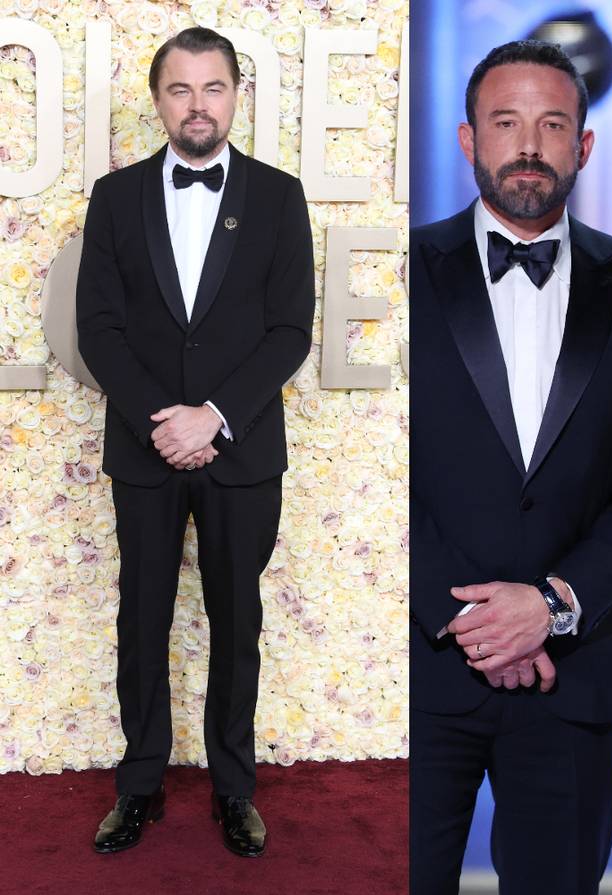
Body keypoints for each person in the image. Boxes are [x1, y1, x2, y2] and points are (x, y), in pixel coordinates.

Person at [409, 39, 612, 894]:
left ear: (584, 144)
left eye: (551, 123)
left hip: (576, 676)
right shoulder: (395, 270)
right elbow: (371, 472)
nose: (528, 144)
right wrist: (467, 621)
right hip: (421, 673)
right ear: (468, 140)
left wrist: (552, 605)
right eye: (506, 122)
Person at [77, 27, 314, 857]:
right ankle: (138, 785)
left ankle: (235, 789)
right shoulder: (115, 198)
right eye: (180, 89)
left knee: (235, 622)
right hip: (144, 451)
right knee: (140, 622)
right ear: (157, 101)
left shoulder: (280, 197)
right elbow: (98, 330)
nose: (197, 104)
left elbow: (290, 330)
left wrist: (211, 414)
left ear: (235, 96)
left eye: (213, 87)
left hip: (241, 449)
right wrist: (164, 421)